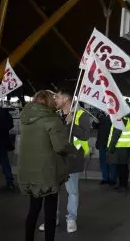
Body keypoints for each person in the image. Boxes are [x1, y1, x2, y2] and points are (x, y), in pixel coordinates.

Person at [18, 90, 75, 241]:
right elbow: (60, 146)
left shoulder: (24, 118)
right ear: (50, 102)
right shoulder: (51, 119)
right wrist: (72, 148)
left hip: (29, 171)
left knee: (33, 210)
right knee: (50, 213)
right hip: (48, 172)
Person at [38, 91, 91, 233]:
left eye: (58, 97)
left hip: (72, 159)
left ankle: (71, 219)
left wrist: (71, 123)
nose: (55, 99)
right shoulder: (54, 114)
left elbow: (86, 136)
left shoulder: (81, 115)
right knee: (53, 191)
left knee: (72, 191)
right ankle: (52, 219)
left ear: (67, 99)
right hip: (55, 159)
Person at [107, 114, 130, 193]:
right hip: (128, 147)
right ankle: (124, 185)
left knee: (121, 168)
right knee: (124, 167)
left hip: (119, 148)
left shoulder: (121, 120)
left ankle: (122, 185)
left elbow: (115, 136)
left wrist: (110, 149)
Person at [96, 114, 117, 186]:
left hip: (110, 143)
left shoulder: (113, 116)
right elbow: (97, 128)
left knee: (111, 162)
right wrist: (95, 122)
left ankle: (112, 179)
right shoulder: (101, 116)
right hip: (102, 143)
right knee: (103, 162)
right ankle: (105, 178)